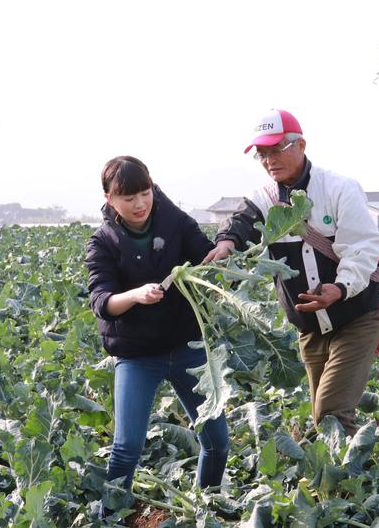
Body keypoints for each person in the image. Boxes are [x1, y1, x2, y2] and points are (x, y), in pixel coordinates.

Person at [203, 109, 379, 437]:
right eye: (262, 154)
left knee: (331, 413)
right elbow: (241, 221)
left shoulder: (339, 189)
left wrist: (339, 289)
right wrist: (226, 243)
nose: (269, 160)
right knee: (322, 417)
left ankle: (352, 484)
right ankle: (353, 478)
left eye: (277, 150)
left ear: (300, 145)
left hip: (354, 318)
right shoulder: (264, 197)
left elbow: (361, 248)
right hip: (310, 329)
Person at [85, 156, 230, 512]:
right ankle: (109, 518)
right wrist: (135, 295)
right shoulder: (102, 242)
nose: (139, 204)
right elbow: (102, 301)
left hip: (187, 347)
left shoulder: (175, 221)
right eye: (128, 197)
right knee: (126, 447)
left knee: (217, 442)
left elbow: (203, 255)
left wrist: (223, 250)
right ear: (109, 199)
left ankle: (205, 509)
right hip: (137, 355)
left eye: (145, 193)